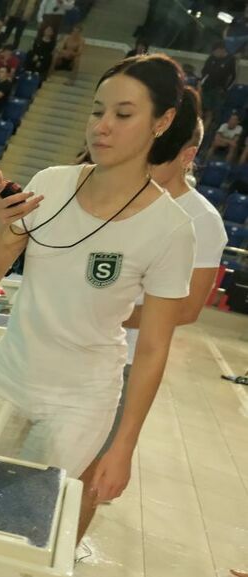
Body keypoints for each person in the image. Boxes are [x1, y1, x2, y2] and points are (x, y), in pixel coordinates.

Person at [0, 54, 199, 577]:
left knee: (22, 524)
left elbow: (153, 348)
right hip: (8, 375)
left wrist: (122, 447)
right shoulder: (52, 181)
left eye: (123, 114)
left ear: (161, 123)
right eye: (98, 110)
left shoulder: (170, 228)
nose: (102, 125)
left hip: (80, 397)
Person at [79, 113, 226, 540]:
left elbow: (187, 309)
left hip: (124, 356)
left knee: (91, 469)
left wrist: (112, 312)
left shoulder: (202, 221)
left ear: (187, 156)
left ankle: (60, 557)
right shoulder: (127, 195)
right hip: (78, 344)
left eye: (158, 157)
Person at [200, 42, 237, 129]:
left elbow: (233, 76)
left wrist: (225, 88)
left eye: (216, 52)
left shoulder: (230, 59)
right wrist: (201, 83)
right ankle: (201, 128)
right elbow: (204, 72)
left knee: (215, 111)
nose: (214, 54)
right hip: (207, 87)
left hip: (219, 89)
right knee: (205, 110)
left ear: (221, 50)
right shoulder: (211, 58)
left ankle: (211, 129)